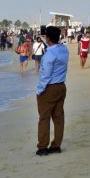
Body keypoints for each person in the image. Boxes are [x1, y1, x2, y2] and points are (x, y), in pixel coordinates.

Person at [35, 26, 68, 156]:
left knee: (44, 117)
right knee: (58, 117)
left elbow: (46, 75)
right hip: (61, 85)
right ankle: (56, 145)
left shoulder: (49, 54)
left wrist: (40, 90)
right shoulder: (64, 50)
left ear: (48, 38)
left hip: (49, 87)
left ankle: (43, 146)